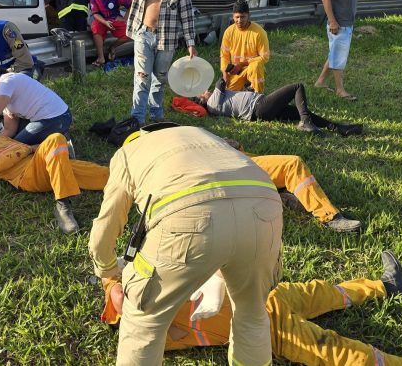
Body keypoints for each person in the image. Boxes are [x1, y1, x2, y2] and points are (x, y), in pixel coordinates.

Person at [89, 123, 283, 365]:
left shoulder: (129, 153)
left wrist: (107, 270)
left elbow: (106, 226)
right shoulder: (205, 135)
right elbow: (229, 206)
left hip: (188, 214)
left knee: (144, 321)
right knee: (252, 315)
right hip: (266, 205)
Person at [100, 250, 402, 366]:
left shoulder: (141, 273)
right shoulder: (142, 330)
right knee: (335, 351)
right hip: (261, 328)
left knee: (317, 291)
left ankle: (386, 287)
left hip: (264, 296)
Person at [0, 124, 108, 234]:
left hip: (49, 165)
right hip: (28, 176)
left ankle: (128, 181)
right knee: (56, 138)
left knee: (107, 175)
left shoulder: (2, 140)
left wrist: (33, 149)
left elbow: (33, 148)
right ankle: (63, 204)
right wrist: (28, 148)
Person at [115, 0, 198, 124]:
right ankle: (137, 118)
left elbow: (186, 15)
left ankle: (156, 115)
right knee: (142, 77)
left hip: (166, 38)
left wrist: (191, 43)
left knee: (160, 79)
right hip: (143, 33)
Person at [194, 77, 363, 136]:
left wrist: (247, 89)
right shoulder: (212, 103)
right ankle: (305, 122)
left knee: (301, 111)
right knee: (297, 87)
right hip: (260, 107)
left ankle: (339, 128)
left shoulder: (218, 100)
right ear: (202, 99)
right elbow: (221, 81)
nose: (206, 91)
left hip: (262, 108)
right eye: (204, 92)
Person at [0, 63, 71, 146]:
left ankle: (61, 144)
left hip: (56, 118)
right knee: (11, 143)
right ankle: (55, 138)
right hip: (49, 118)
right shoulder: (3, 94)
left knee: (14, 147)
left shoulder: (6, 82)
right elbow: (9, 129)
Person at [314, 0, 370, 101]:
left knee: (334, 53)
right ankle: (340, 90)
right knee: (338, 57)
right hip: (338, 26)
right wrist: (332, 21)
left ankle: (320, 82)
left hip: (346, 24)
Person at [221, 1, 270, 93]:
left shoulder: (259, 32)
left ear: (249, 15)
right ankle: (245, 88)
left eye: (243, 17)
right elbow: (224, 56)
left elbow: (264, 57)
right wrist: (225, 73)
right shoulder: (229, 32)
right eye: (237, 17)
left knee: (255, 66)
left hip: (252, 68)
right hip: (236, 71)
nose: (239, 20)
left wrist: (241, 65)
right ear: (233, 16)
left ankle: (258, 96)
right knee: (228, 93)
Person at [90, 0, 132, 66]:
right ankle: (101, 58)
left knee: (130, 33)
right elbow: (95, 14)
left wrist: (125, 18)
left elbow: (131, 4)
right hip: (102, 21)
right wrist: (105, 22)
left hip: (114, 19)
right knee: (95, 26)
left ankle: (113, 47)